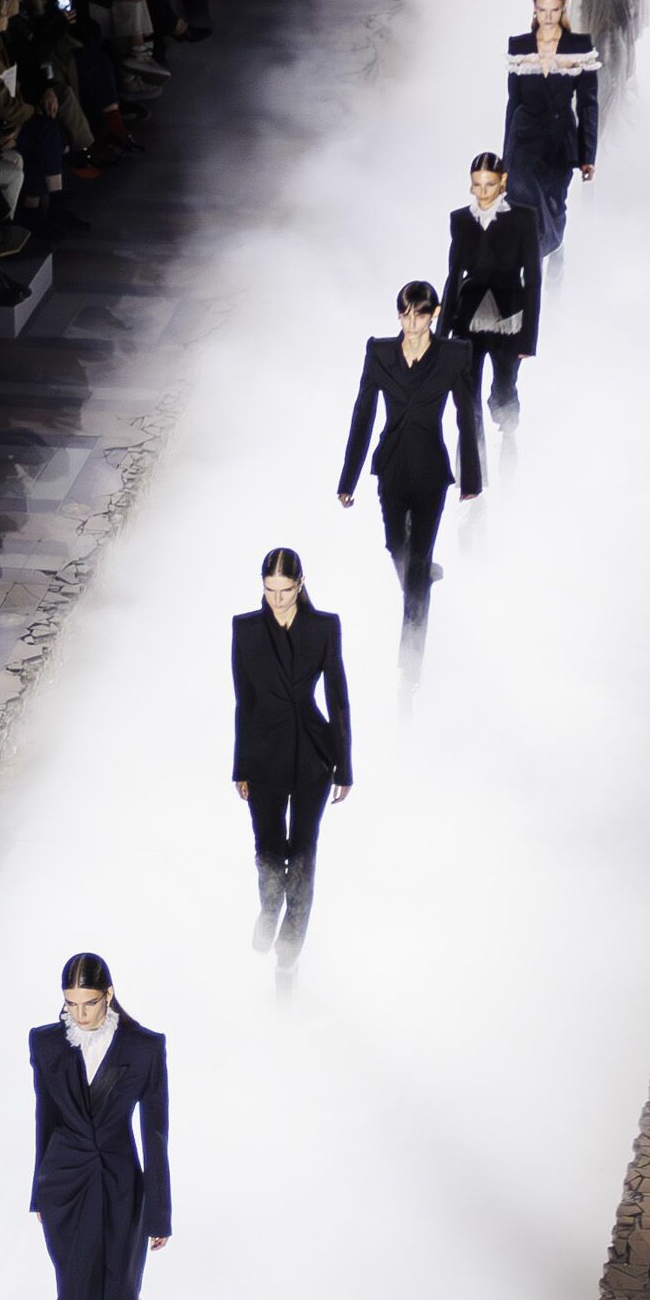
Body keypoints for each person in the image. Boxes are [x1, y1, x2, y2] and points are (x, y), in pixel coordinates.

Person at [29, 955, 169, 1300]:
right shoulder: (46, 1043)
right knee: (74, 1295)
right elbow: (44, 1119)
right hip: (65, 1189)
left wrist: (158, 1213)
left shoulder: (144, 1048)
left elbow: (155, 1135)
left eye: (88, 1003)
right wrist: (39, 1192)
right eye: (70, 1004)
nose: (79, 1014)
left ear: (108, 995)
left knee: (116, 1295)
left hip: (118, 1187)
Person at [229, 548, 352, 958]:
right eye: (269, 590)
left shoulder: (324, 626)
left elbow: (337, 698)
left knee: (302, 851)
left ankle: (290, 945)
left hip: (312, 753)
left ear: (300, 585)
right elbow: (243, 701)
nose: (277, 599)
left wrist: (344, 767)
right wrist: (240, 766)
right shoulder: (245, 629)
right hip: (263, 754)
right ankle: (269, 909)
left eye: (284, 590)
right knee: (267, 849)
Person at [339, 278, 484, 610]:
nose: (412, 323)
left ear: (434, 314)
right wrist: (348, 480)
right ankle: (419, 585)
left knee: (418, 559)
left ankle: (411, 657)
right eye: (405, 315)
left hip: (431, 469)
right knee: (395, 545)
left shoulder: (453, 355)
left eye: (419, 315)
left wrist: (471, 481)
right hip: (391, 464)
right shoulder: (379, 352)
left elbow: (466, 417)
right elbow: (362, 416)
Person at [499, 0, 600, 254]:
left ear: (562, 9)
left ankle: (554, 254)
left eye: (554, 10)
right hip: (524, 141)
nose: (548, 17)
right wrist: (505, 159)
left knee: (554, 207)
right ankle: (533, 271)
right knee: (524, 205)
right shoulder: (519, 46)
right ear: (534, 9)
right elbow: (514, 102)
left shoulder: (579, 47)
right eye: (542, 10)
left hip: (559, 143)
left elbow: (588, 105)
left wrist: (587, 155)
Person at [443, 150, 539, 416]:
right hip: (468, 319)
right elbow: (454, 275)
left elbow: (533, 280)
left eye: (490, 184)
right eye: (477, 184)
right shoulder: (460, 219)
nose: (483, 192)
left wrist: (529, 340)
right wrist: (441, 336)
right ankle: (473, 453)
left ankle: (508, 435)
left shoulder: (524, 218)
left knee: (504, 390)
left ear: (502, 182)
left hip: (509, 319)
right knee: (466, 394)